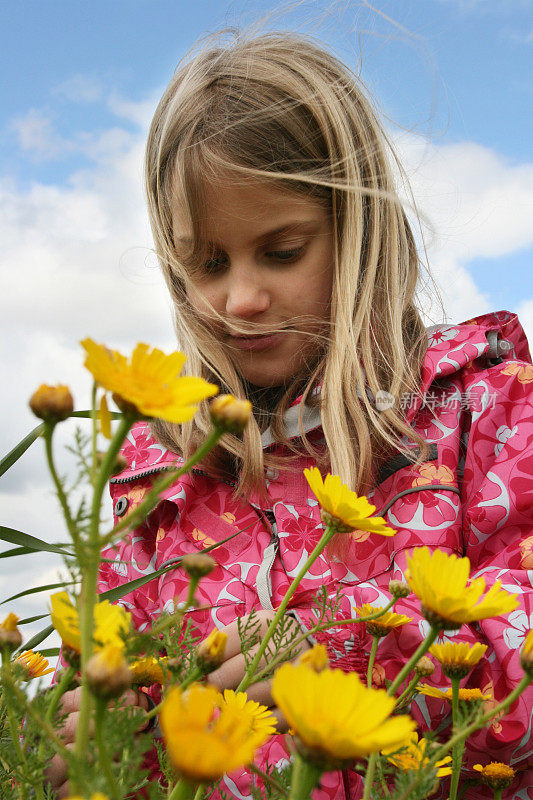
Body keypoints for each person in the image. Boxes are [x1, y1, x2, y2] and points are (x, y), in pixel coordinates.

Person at [49, 31, 533, 800]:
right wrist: (100, 729)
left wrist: (345, 655)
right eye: (207, 264)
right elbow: (127, 681)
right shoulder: (157, 479)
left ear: (359, 232)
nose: (240, 300)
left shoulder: (480, 408)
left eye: (280, 252)